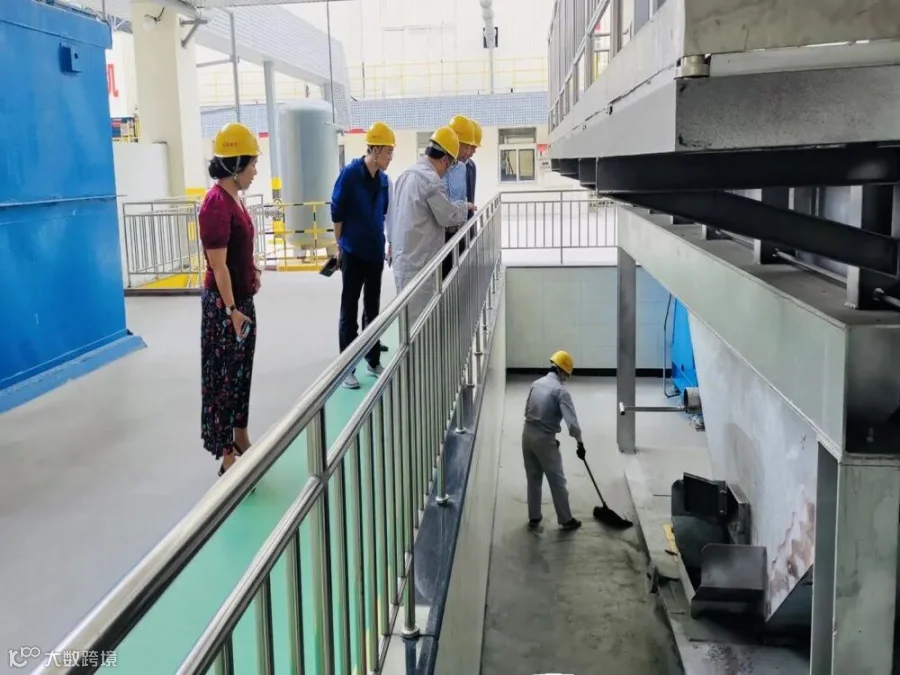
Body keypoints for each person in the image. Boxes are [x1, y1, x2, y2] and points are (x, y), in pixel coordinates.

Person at [199, 122, 262, 477]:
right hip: (225, 309)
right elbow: (218, 266)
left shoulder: (234, 198)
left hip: (241, 302)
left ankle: (240, 435)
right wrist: (233, 311)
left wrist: (253, 272)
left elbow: (239, 251)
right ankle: (226, 456)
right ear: (236, 165)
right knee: (224, 379)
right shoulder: (215, 205)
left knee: (241, 374)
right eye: (252, 164)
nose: (255, 171)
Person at [388, 126, 474, 326]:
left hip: (403, 262)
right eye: (449, 166)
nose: (446, 172)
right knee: (422, 326)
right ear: (444, 160)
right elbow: (448, 216)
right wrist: (465, 207)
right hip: (420, 265)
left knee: (406, 324)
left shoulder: (406, 174)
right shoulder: (431, 181)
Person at [332, 121, 395, 389]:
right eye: (388, 151)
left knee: (372, 309)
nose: (391, 157)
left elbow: (384, 213)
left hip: (374, 254)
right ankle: (346, 368)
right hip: (353, 252)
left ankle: (372, 359)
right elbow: (337, 211)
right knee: (349, 310)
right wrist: (339, 246)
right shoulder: (349, 174)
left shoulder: (383, 181)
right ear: (376, 149)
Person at [521, 350, 586, 531]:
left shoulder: (536, 384)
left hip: (527, 435)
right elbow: (572, 424)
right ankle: (566, 519)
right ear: (561, 371)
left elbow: (527, 410)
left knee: (533, 478)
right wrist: (580, 443)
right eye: (567, 374)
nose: (567, 378)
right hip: (544, 440)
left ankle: (534, 516)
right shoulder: (560, 391)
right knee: (557, 481)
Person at [440, 115, 478, 280]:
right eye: (467, 147)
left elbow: (465, 198)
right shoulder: (435, 168)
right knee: (442, 282)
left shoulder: (463, 168)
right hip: (439, 236)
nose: (469, 152)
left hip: (459, 232)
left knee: (459, 280)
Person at [466, 120, 481, 217]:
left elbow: (471, 197)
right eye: (472, 147)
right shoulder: (447, 166)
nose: (474, 151)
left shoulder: (472, 166)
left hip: (468, 220)